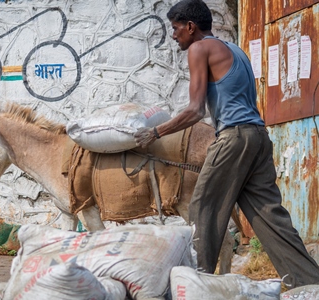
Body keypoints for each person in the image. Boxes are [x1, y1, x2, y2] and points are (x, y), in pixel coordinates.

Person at [134, 0, 319, 288]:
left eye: (176, 28)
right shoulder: (237, 51)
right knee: (270, 217)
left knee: (203, 207)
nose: (173, 35)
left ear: (191, 27)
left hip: (234, 138)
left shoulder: (199, 48)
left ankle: (195, 283)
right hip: (258, 138)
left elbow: (196, 110)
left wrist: (156, 133)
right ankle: (310, 283)